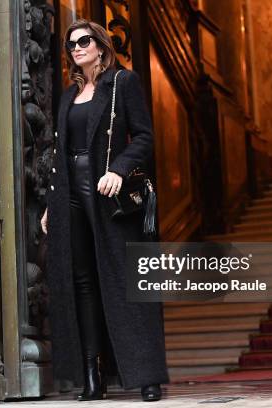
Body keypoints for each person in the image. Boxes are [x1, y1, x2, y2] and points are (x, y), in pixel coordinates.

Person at [40, 19, 169, 402]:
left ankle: (148, 376)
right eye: (71, 44)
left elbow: (144, 136)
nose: (76, 48)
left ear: (100, 45)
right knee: (82, 284)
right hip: (71, 197)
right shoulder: (68, 95)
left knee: (127, 282)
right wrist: (53, 205)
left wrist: (118, 169)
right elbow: (60, 156)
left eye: (84, 41)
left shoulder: (122, 83)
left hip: (109, 196)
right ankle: (92, 377)